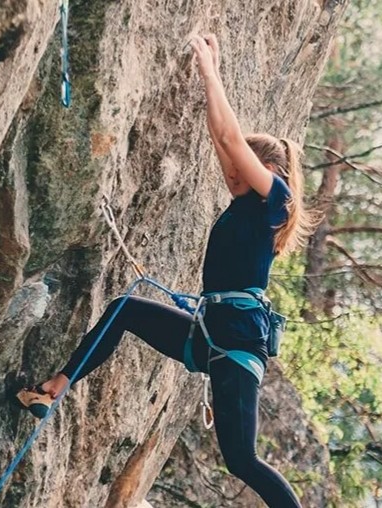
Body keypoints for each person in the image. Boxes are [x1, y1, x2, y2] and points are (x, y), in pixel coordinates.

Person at [16, 33, 315, 508]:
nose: (230, 172)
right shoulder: (245, 203)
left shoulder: (277, 199)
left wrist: (211, 73)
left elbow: (231, 139)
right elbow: (222, 138)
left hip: (237, 343)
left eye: (241, 167)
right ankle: (56, 387)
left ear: (266, 171)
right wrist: (209, 79)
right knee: (125, 310)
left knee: (242, 460)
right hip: (210, 333)